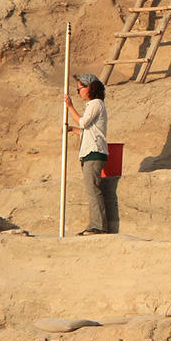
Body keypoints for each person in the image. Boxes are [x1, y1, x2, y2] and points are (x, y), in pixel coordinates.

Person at [65, 73, 115, 235]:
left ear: (89, 88)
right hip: (89, 152)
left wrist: (70, 106)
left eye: (79, 89)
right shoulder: (92, 105)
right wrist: (72, 130)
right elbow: (87, 131)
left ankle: (99, 226)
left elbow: (83, 122)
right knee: (91, 189)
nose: (78, 92)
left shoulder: (96, 103)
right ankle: (95, 224)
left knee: (93, 190)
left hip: (95, 152)